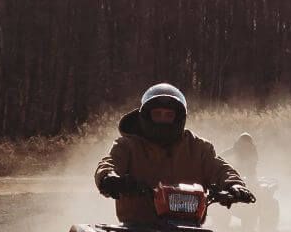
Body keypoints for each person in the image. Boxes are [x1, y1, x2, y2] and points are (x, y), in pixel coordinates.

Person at [95, 84, 253, 224]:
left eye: (169, 115)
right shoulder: (128, 145)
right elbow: (109, 163)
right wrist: (109, 178)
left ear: (179, 118)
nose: (163, 120)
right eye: (157, 114)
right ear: (145, 117)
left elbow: (219, 168)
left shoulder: (198, 147)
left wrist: (234, 184)